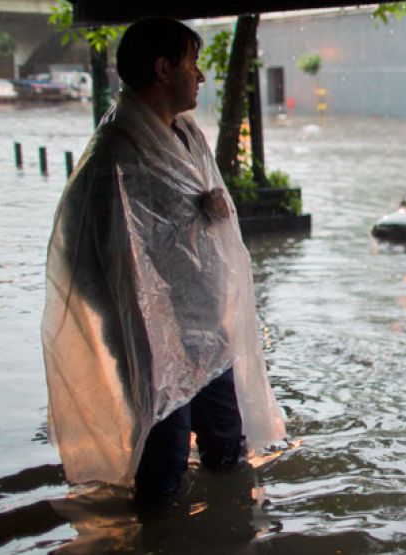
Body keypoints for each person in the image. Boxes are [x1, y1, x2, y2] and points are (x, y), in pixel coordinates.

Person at [41, 18, 286, 508]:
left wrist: (211, 212)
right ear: (162, 69)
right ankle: (157, 536)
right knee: (166, 454)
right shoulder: (115, 155)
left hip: (204, 326)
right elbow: (97, 257)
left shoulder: (186, 135)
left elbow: (193, 216)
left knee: (225, 442)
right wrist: (137, 329)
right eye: (191, 65)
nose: (199, 76)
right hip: (149, 333)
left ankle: (230, 528)